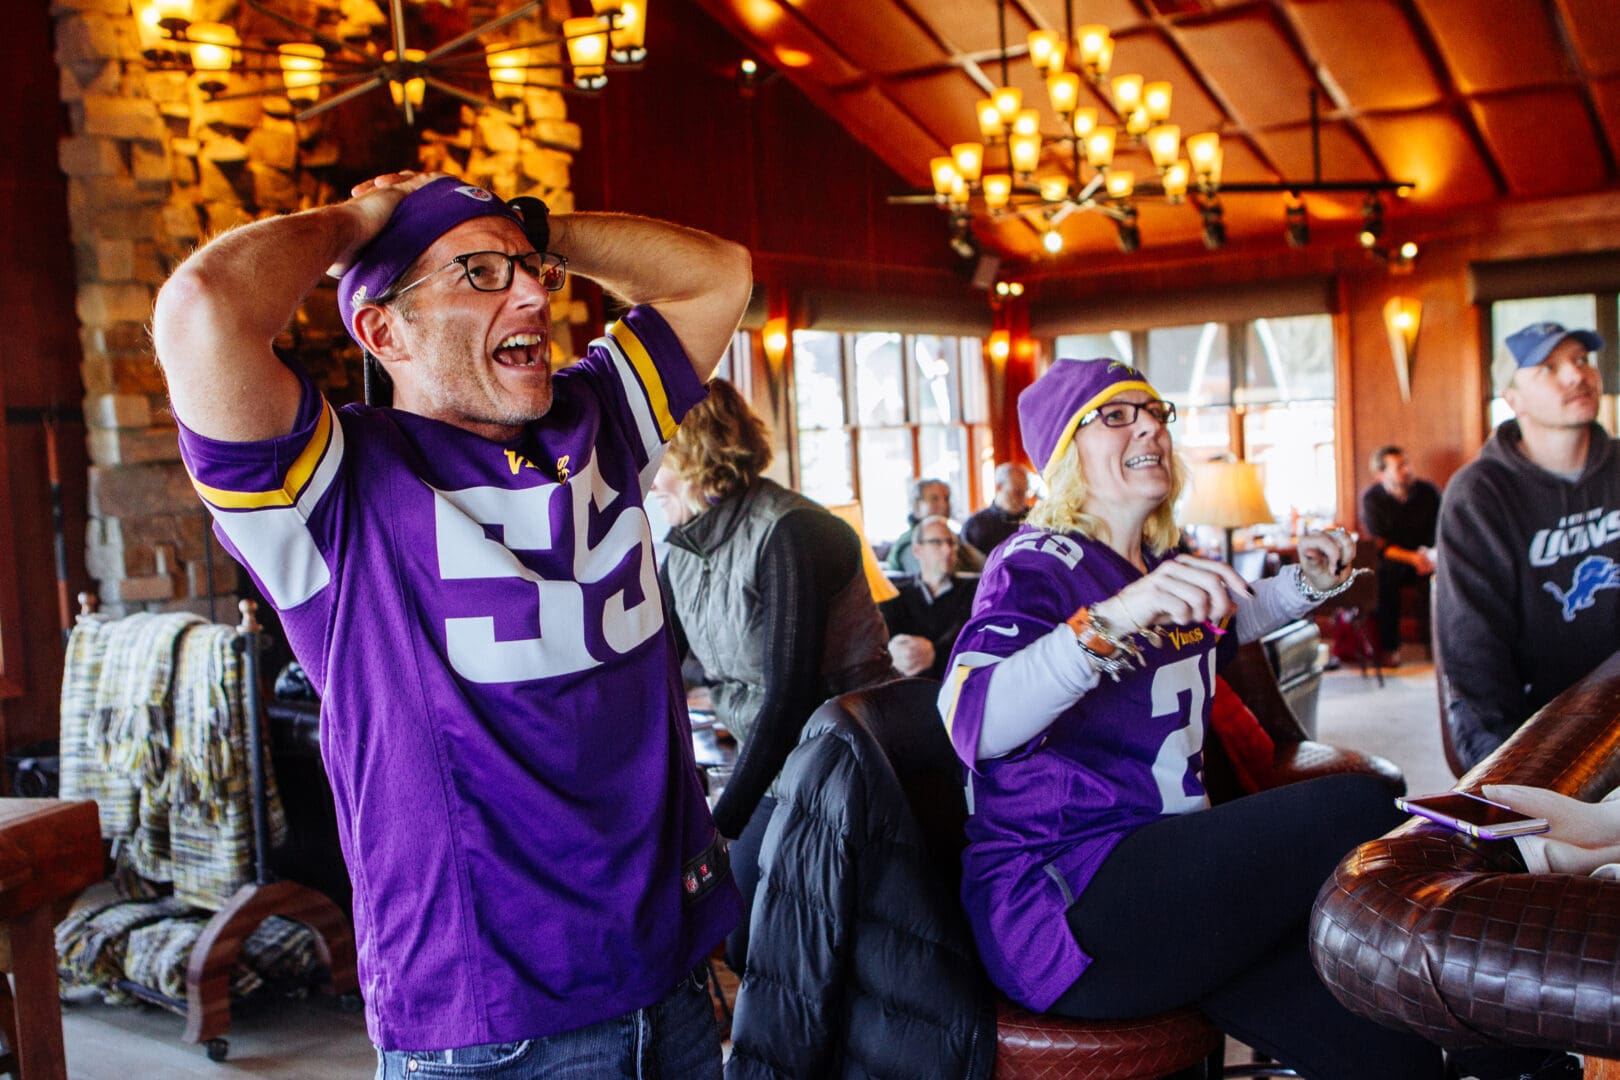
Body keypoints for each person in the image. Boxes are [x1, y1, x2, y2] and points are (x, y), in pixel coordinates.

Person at [152, 171, 752, 1077]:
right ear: (382, 331)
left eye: (532, 270)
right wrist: (357, 219)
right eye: (478, 274)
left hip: (670, 972)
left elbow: (719, 275)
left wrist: (526, 227)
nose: (533, 294)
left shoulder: (597, 421)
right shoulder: (333, 492)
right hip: (494, 1026)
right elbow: (202, 309)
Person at [937, 356, 1446, 1079]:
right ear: (1066, 451)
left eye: (1155, 412)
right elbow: (972, 720)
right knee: (1360, 806)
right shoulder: (1035, 561)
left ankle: (1523, 1057)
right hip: (1064, 902)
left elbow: (1218, 628)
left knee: (1397, 1055)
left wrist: (1305, 585)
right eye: (1117, 415)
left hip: (1169, 885)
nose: (1149, 426)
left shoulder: (1159, 557)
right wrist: (1115, 617)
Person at [652, 378, 895, 973]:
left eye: (657, 453)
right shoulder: (682, 549)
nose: (649, 475)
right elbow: (654, 676)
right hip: (775, 761)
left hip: (844, 754)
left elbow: (791, 699)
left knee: (747, 934)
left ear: (692, 452)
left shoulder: (790, 530)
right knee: (733, 931)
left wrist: (720, 827)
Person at [1436, 321, 1620, 771]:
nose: (1576, 374)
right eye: (1549, 368)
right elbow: (1474, 658)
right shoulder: (1478, 495)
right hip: (1539, 730)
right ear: (1512, 399)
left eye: (1581, 360)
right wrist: (1510, 776)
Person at [1360, 445, 1441, 664]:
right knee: (1382, 578)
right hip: (1396, 559)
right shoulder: (1372, 499)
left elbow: (1444, 529)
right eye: (1399, 466)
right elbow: (1381, 545)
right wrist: (1414, 558)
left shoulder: (1428, 492)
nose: (1407, 470)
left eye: (1407, 464)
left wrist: (1431, 556)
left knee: (1448, 577)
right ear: (1381, 474)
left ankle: (1442, 646)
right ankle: (1390, 649)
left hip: (1430, 556)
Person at [880, 514, 979, 680]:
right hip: (906, 685)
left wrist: (935, 654)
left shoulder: (974, 591)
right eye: (937, 542)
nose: (948, 549)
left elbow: (974, 641)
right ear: (917, 550)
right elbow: (882, 645)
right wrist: (892, 653)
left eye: (951, 542)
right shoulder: (895, 594)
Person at [884, 477, 985, 574]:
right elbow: (931, 580)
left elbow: (984, 568)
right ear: (917, 506)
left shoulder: (954, 539)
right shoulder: (910, 543)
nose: (944, 505)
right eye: (934, 499)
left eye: (946, 499)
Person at [962, 461, 1032, 555]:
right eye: (1016, 492)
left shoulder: (1036, 519)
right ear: (998, 487)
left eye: (1024, 492)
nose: (1021, 498)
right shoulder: (975, 526)